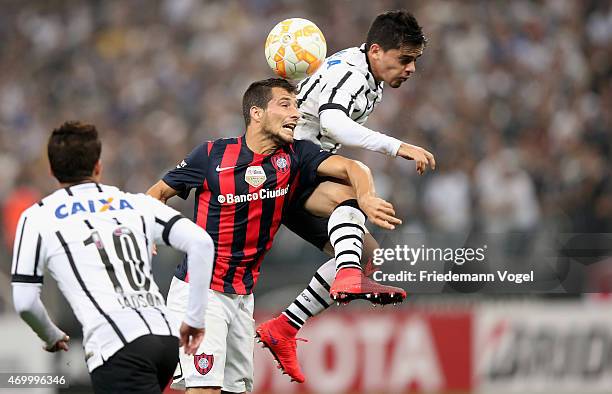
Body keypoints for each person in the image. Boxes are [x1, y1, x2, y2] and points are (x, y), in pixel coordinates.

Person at [146, 78, 402, 393]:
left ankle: (295, 318)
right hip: (200, 291)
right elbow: (157, 193)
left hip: (242, 298)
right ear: (256, 113)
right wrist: (149, 233)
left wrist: (366, 198)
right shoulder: (211, 155)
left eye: (296, 105)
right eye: (285, 104)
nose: (296, 114)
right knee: (205, 390)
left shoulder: (296, 155)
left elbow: (353, 167)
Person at [257, 9, 436, 383]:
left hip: (298, 169)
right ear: (375, 51)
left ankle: (284, 328)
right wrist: (397, 146)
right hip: (288, 160)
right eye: (405, 59)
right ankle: (348, 275)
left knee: (368, 255)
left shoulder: (369, 76)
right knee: (353, 188)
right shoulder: (351, 74)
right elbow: (333, 122)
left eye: (415, 61)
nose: (411, 69)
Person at [11, 122, 214, 394]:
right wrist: (195, 318)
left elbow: (24, 302)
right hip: (165, 339)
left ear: (51, 171)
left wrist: (51, 335)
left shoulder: (37, 217)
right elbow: (201, 243)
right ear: (98, 166)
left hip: (117, 346)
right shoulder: (134, 202)